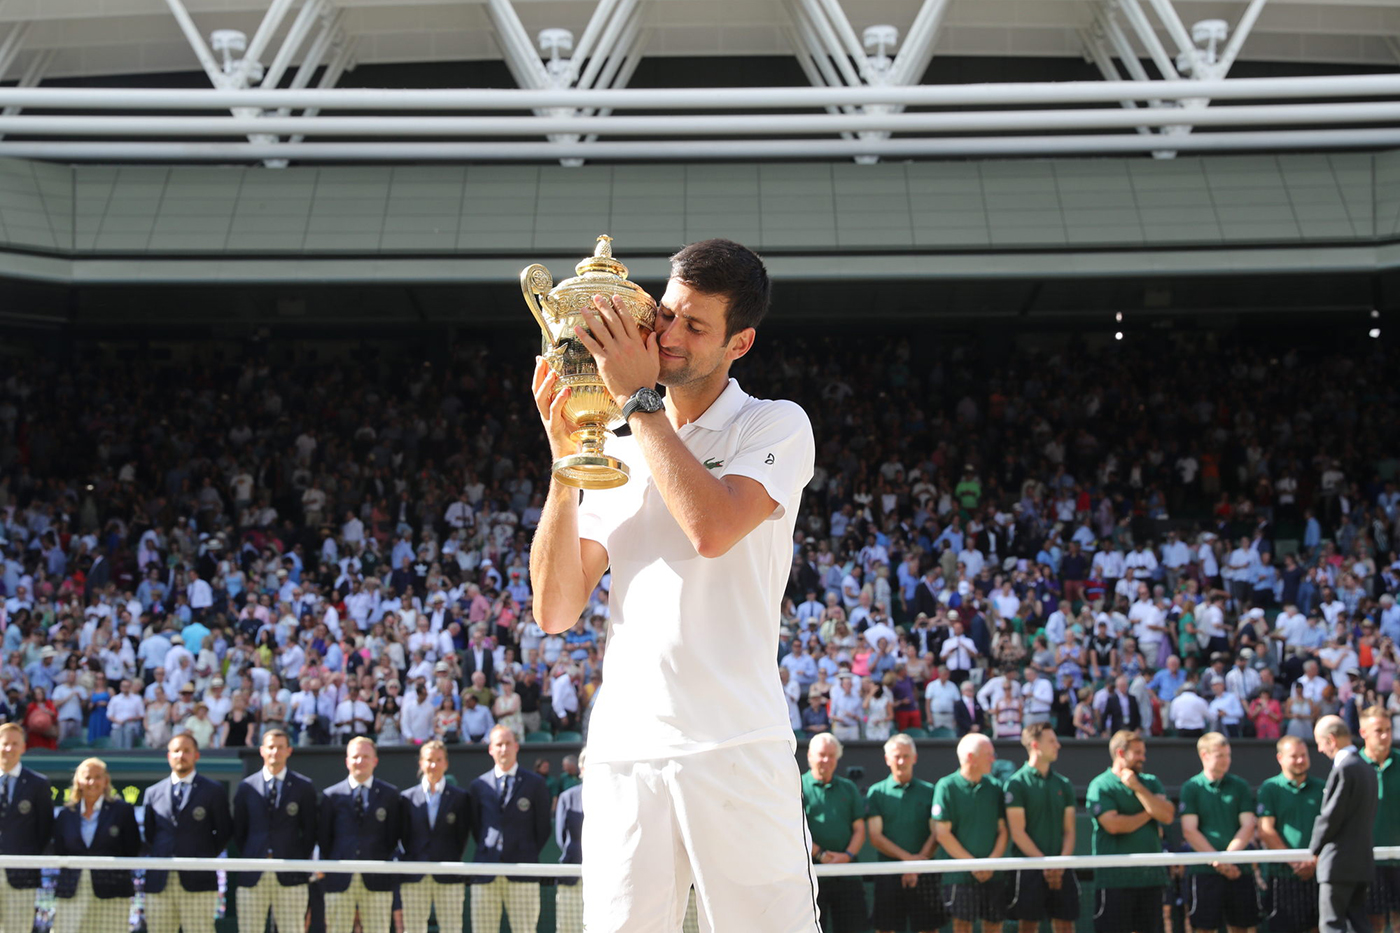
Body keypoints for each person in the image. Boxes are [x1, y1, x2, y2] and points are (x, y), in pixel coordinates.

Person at [529, 238, 818, 931]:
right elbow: (555, 608)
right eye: (667, 314)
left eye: (696, 326)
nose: (668, 335)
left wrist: (635, 397)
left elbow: (710, 529)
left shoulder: (774, 423)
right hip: (626, 753)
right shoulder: (620, 445)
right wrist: (564, 464)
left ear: (739, 343)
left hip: (737, 748)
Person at [142, 733, 234, 933]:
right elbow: (151, 835)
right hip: (160, 881)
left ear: (196, 755)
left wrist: (201, 855)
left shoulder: (213, 790)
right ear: (169, 756)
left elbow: (224, 832)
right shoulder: (153, 792)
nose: (181, 755)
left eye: (186, 751)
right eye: (176, 751)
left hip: (199, 880)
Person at [232, 728, 319, 933]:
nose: (275, 752)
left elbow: (310, 832)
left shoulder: (304, 787)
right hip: (252, 874)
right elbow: (239, 832)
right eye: (271, 747)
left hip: (291, 875)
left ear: (289, 751)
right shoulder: (246, 787)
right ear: (262, 750)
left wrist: (295, 860)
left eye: (280, 747)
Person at [1087, 730, 1175, 933]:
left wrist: (1138, 788)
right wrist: (1150, 811)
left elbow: (1168, 816)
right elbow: (1114, 825)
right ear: (1120, 753)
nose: (1143, 757)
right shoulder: (1101, 785)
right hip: (1114, 880)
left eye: (1143, 752)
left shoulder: (1150, 782)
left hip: (1151, 879)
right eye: (1137, 752)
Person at [467, 725, 551, 933]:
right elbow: (477, 828)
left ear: (516, 746)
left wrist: (523, 849)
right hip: (486, 870)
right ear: (490, 749)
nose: (503, 749)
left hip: (523, 871)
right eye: (498, 744)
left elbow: (543, 828)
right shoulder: (478, 785)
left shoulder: (536, 783)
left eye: (507, 744)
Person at [319, 736, 401, 933]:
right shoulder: (331, 796)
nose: (360, 761)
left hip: (377, 880)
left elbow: (393, 837)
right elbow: (324, 839)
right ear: (347, 761)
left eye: (366, 756)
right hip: (339, 880)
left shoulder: (390, 795)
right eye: (355, 757)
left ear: (375, 761)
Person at [1179, 732, 1259, 933]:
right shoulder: (1191, 788)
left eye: (1228, 755)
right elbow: (1189, 831)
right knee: (1204, 928)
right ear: (1204, 755)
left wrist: (1228, 860)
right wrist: (1220, 863)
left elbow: (1248, 825)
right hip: (1205, 873)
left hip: (1239, 870)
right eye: (1220, 755)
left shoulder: (1239, 786)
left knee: (1241, 927)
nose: (1226, 760)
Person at [52, 757, 140, 933]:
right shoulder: (65, 814)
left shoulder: (122, 811)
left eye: (98, 777)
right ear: (78, 780)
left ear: (106, 780)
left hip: (113, 891)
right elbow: (59, 849)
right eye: (87, 777)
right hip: (72, 890)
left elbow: (132, 848)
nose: (92, 782)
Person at [1006, 723, 1079, 933]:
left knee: (1066, 925)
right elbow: (1018, 833)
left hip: (1061, 866)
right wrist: (1045, 864)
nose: (1058, 745)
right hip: (1029, 869)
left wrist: (1060, 864)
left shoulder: (1064, 784)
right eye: (1052, 741)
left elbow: (1070, 831)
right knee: (1028, 926)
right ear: (1036, 745)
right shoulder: (1016, 784)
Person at [866, 734, 942, 933]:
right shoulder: (876, 792)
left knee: (928, 929)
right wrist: (909, 861)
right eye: (896, 756)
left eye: (906, 756)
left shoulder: (930, 791)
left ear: (914, 758)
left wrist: (916, 866)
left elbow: (936, 834)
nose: (901, 761)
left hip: (925, 874)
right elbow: (875, 836)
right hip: (888, 874)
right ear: (887, 759)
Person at [933, 733, 1008, 933]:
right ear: (970, 757)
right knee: (962, 926)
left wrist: (991, 863)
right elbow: (942, 834)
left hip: (994, 876)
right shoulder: (946, 786)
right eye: (988, 754)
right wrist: (973, 865)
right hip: (959, 878)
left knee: (994, 925)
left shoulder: (995, 787)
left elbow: (1003, 831)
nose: (993, 759)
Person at [1309, 715, 1377, 933]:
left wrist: (1314, 848)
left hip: (1338, 863)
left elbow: (1331, 816)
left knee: (1332, 925)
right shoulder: (1367, 768)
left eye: (1320, 742)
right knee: (1359, 925)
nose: (1319, 749)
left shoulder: (1345, 768)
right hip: (1361, 862)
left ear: (1331, 739)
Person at [400, 740, 473, 933]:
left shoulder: (460, 798)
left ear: (446, 763)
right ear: (421, 763)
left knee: (452, 928)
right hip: (415, 874)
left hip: (448, 874)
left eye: (438, 760)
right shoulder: (406, 798)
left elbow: (462, 836)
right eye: (429, 760)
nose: (433, 765)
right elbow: (404, 836)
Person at [801, 734, 867, 933]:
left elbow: (859, 829)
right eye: (821, 755)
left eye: (831, 755)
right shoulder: (797, 787)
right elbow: (795, 832)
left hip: (848, 878)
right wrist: (821, 855)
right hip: (811, 879)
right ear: (810, 756)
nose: (826, 760)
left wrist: (846, 856)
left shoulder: (848, 788)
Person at [1258, 736, 1324, 933]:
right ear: (1280, 758)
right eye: (1294, 756)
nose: (1300, 760)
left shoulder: (1322, 788)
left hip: (1319, 875)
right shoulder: (1269, 788)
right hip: (1282, 877)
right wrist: (1296, 862)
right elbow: (1265, 830)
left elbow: (1334, 828)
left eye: (1303, 755)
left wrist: (1315, 861)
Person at [0, 721, 54, 933]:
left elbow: (45, 829)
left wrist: (26, 856)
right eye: (4, 743)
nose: (9, 749)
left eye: (15, 744)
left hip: (22, 875)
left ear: (23, 747)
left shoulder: (38, 783)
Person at [1357, 706, 1399, 933]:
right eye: (1378, 730)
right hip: (1367, 862)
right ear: (1363, 732)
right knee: (1374, 925)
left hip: (1399, 860)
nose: (1385, 735)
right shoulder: (1351, 766)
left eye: (1388, 729)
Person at [555, 757, 586, 933]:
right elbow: (561, 837)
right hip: (571, 873)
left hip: (605, 876)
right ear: (581, 769)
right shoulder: (567, 797)